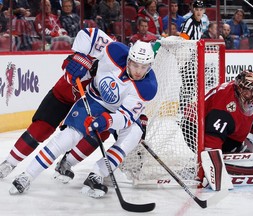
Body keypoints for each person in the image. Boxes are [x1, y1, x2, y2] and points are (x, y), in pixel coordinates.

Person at [9, 40, 158, 196]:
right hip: (93, 100)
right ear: (128, 58)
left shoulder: (147, 87)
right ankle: (27, 175)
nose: (138, 71)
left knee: (134, 133)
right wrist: (78, 59)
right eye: (135, 65)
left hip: (115, 113)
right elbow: (90, 42)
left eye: (144, 67)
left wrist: (106, 121)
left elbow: (124, 117)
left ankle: (97, 174)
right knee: (68, 137)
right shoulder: (114, 51)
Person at [0, 27, 113, 179]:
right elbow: (88, 34)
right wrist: (79, 58)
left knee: (97, 132)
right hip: (63, 95)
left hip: (88, 104)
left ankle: (67, 162)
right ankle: (10, 162)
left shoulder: (121, 74)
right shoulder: (106, 50)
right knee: (41, 128)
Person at [181, 71, 253, 190]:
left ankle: (229, 150)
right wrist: (209, 170)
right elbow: (211, 139)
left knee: (241, 145)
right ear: (238, 88)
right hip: (193, 125)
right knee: (230, 150)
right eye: (246, 90)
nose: (250, 94)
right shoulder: (224, 105)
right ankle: (201, 163)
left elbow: (248, 114)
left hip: (214, 122)